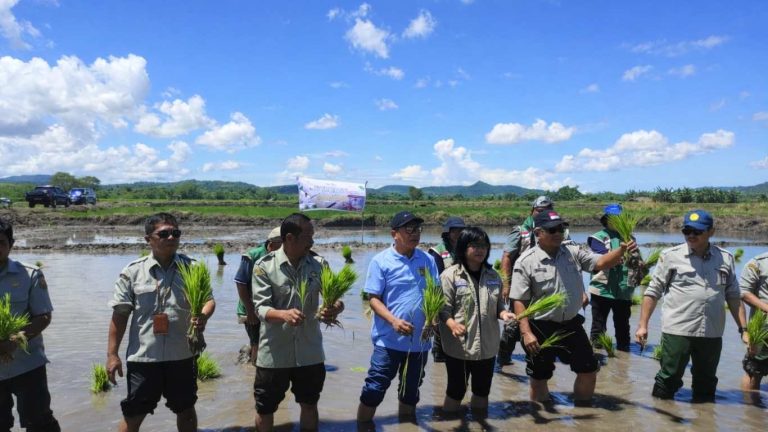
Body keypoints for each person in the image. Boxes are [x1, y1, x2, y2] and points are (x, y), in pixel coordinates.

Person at [510, 210, 634, 404]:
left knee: (589, 369)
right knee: (539, 377)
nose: (558, 233)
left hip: (571, 325)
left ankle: (582, 414)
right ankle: (542, 420)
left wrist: (622, 250)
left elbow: (600, 262)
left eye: (560, 228)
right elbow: (519, 301)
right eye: (552, 230)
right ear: (538, 233)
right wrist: (526, 333)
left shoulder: (573, 251)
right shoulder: (526, 261)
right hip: (540, 327)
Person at [107, 213, 215, 432]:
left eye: (175, 233)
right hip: (145, 357)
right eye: (163, 233)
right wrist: (112, 355)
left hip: (182, 355)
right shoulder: (132, 272)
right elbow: (120, 316)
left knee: (185, 409)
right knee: (134, 412)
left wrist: (203, 315)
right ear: (149, 239)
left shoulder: (193, 268)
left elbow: (209, 300)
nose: (171, 237)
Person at [635, 209, 747, 401]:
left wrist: (743, 328)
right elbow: (653, 292)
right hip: (678, 330)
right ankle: (661, 416)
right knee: (669, 378)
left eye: (697, 231)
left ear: (711, 232)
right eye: (687, 231)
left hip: (712, 332)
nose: (691, 235)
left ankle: (704, 421)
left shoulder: (725, 258)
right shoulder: (671, 256)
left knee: (707, 381)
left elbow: (734, 296)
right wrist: (643, 325)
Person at [251, 213, 343, 432]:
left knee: (309, 405)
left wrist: (334, 309)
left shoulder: (319, 265)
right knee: (265, 408)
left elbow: (337, 299)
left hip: (309, 351)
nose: (312, 241)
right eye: (308, 236)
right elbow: (260, 308)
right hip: (274, 354)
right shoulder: (264, 266)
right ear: (290, 238)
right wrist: (283, 315)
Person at [357, 211, 440, 423]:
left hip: (420, 343)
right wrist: (394, 321)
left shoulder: (428, 260)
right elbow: (373, 299)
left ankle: (406, 426)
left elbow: (436, 295)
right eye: (409, 229)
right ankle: (362, 426)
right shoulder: (381, 261)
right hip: (388, 341)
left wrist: (433, 319)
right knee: (374, 388)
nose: (415, 234)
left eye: (418, 229)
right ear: (394, 233)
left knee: (410, 391)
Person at [438, 227, 515, 412]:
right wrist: (452, 324)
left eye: (483, 246)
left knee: (482, 391)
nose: (480, 250)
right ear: (464, 248)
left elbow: (498, 308)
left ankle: (480, 423)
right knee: (456, 391)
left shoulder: (493, 276)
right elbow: (442, 310)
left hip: (487, 348)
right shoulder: (450, 276)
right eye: (474, 245)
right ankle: (450, 424)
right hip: (459, 348)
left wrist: (505, 314)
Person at [0, 218, 61, 432]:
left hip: (28, 365)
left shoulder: (30, 274)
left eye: (1, 242)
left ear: (11, 244)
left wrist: (14, 340)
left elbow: (43, 316)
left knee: (40, 422)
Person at [498, 195, 565, 366]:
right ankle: (503, 357)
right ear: (532, 211)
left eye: (547, 210)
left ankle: (542, 356)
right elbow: (506, 257)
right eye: (539, 210)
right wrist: (506, 285)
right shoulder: (521, 231)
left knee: (545, 321)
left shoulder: (557, 230)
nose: (542, 213)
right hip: (522, 285)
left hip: (546, 284)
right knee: (515, 323)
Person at [588, 204, 645, 351]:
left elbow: (637, 261)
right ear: (606, 220)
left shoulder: (629, 238)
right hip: (602, 289)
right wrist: (621, 252)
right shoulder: (598, 238)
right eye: (613, 218)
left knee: (623, 324)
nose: (616, 221)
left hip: (624, 290)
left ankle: (623, 358)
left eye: (619, 218)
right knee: (598, 324)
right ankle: (596, 354)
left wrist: (640, 262)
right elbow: (602, 259)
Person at [233, 227, 282, 365]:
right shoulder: (252, 256)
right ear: (271, 245)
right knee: (257, 344)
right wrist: (250, 312)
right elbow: (241, 283)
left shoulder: (283, 256)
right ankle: (254, 372)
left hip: (271, 308)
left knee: (270, 343)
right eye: (281, 248)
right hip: (251, 308)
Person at [427, 216, 466, 363]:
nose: (458, 233)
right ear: (447, 232)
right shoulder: (437, 251)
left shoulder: (466, 249)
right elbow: (434, 280)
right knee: (441, 330)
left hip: (462, 296)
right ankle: (439, 359)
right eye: (454, 230)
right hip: (443, 296)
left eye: (461, 230)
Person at [740, 252, 768, 391]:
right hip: (763, 328)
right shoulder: (758, 263)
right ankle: (751, 410)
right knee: (754, 370)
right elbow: (744, 292)